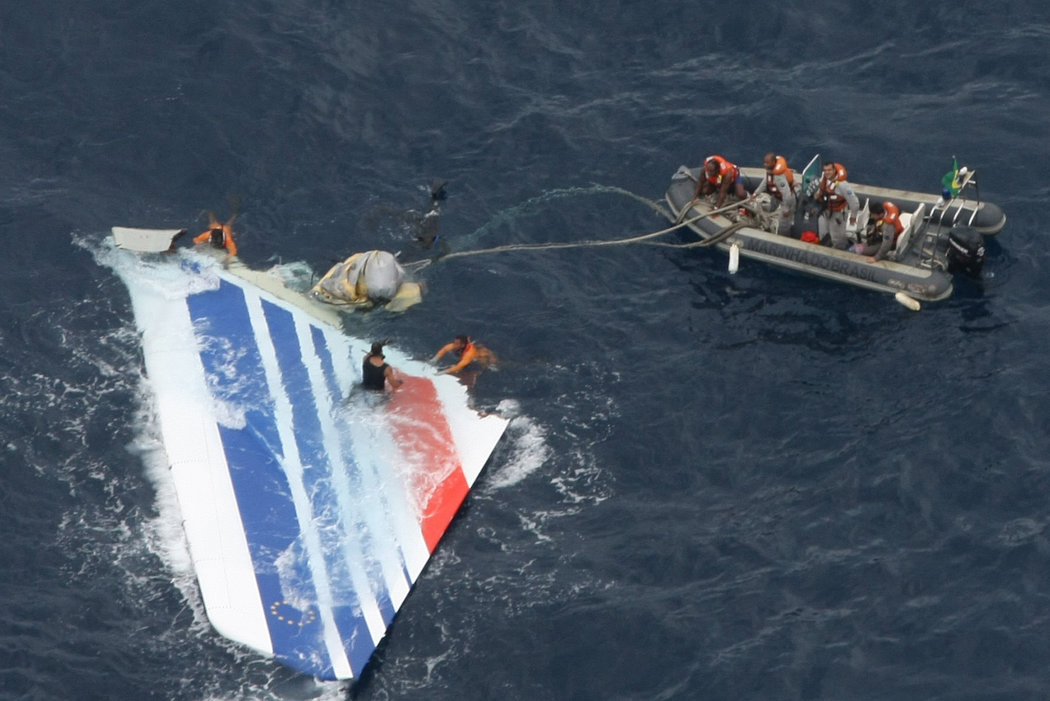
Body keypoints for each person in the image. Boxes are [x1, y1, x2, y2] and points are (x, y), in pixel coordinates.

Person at [807, 161, 859, 250]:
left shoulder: (842, 185)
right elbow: (822, 190)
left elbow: (854, 202)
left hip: (838, 214)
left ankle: (840, 250)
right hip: (827, 210)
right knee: (829, 231)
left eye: (829, 170)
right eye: (825, 170)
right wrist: (818, 195)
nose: (827, 172)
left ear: (834, 170)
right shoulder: (825, 179)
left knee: (837, 236)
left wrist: (853, 217)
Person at [750, 152, 797, 235]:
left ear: (773, 162)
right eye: (764, 162)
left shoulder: (779, 177)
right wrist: (755, 194)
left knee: (783, 224)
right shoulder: (770, 171)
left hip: (786, 200)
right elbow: (765, 182)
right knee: (770, 208)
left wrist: (786, 209)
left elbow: (786, 194)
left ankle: (784, 237)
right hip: (776, 196)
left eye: (767, 163)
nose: (765, 164)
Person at [431, 335, 497, 375]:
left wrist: (443, 372)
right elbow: (444, 349)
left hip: (479, 357)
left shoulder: (468, 355)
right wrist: (435, 359)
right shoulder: (456, 346)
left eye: (457, 344)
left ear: (462, 345)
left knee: (489, 366)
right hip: (470, 350)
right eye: (454, 342)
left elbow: (458, 367)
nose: (454, 345)